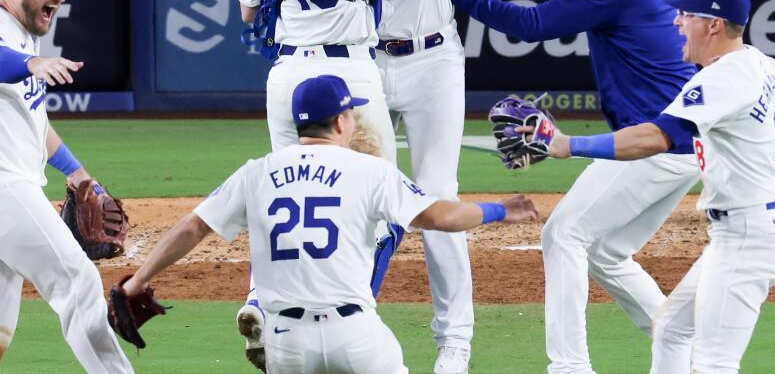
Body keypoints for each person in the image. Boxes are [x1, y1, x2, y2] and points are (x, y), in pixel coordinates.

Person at [247, 0, 545, 374]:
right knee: (346, 190)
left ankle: (454, 342)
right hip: (366, 62)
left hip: (434, 60)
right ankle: (330, 310)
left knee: (434, 190)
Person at [435, 0, 700, 374]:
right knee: (608, 253)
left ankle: (570, 368)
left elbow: (534, 24)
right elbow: (585, 0)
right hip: (679, 145)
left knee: (563, 234)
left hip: (652, 145)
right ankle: (687, 348)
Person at [116, 74, 537, 374]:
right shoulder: (369, 170)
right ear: (340, 122)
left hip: (284, 341)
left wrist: (136, 282)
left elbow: (192, 228)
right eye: (350, 112)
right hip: (354, 336)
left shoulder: (256, 171)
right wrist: (500, 209)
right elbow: (440, 216)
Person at [236, 0, 448, 367]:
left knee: (283, 192)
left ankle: (261, 299)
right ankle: (357, 307)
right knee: (386, 204)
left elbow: (247, 10)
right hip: (349, 76)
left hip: (285, 77)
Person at [548, 0, 775, 374]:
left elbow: (656, 137)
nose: (676, 21)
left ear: (713, 25)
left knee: (715, 363)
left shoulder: (724, 75)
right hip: (748, 226)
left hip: (751, 233)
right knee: (670, 327)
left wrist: (569, 145)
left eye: (686, 14)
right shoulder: (760, 62)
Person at [0, 0, 133, 372]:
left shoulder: (20, 37)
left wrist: (78, 174)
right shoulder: (10, 38)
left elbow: (36, 126)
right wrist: (33, 62)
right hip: (6, 187)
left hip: (16, 185)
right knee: (76, 280)